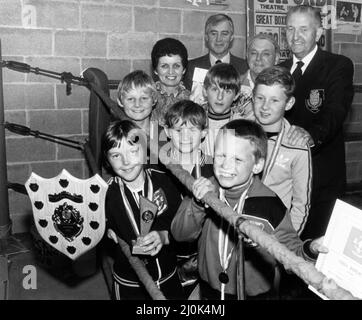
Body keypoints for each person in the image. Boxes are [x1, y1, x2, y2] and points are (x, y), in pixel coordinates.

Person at [171, 119, 326, 300]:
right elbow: (179, 234)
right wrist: (197, 204)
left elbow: (292, 254)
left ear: (257, 165)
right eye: (221, 156)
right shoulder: (205, 191)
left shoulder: (270, 205)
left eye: (237, 159)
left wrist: (310, 249)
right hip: (208, 293)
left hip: (255, 297)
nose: (225, 165)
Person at [280, 5, 354, 240]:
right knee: (283, 245)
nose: (295, 36)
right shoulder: (279, 69)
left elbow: (335, 111)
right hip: (283, 177)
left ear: (319, 33)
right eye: (290, 29)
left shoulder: (337, 65)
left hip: (320, 176)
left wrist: (311, 135)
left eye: (303, 29)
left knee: (315, 248)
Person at [103, 120, 185, 300]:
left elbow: (183, 228)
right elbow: (96, 231)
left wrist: (165, 236)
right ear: (107, 160)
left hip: (168, 277)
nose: (125, 162)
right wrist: (106, 231)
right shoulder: (105, 194)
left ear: (145, 151)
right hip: (128, 282)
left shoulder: (165, 182)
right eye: (116, 155)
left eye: (133, 151)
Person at [162, 99, 213, 296]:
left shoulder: (215, 170)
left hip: (200, 256)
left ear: (204, 133)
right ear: (166, 132)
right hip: (163, 253)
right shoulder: (156, 166)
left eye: (192, 130)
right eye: (177, 130)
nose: (185, 136)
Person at [253, 66, 312, 235]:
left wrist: (287, 243)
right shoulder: (240, 131)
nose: (265, 106)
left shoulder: (297, 145)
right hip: (236, 223)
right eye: (260, 98)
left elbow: (301, 204)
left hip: (274, 231)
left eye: (274, 100)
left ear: (289, 103)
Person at [184, 13, 248, 91]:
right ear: (206, 37)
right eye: (213, 34)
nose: (218, 39)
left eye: (224, 34)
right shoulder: (191, 68)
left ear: (231, 37)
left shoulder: (245, 68)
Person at [116, 70, 167, 165]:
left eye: (144, 98)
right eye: (130, 99)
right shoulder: (116, 135)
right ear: (120, 101)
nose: (137, 104)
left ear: (154, 100)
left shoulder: (162, 134)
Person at [234, 33, 281, 120]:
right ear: (247, 56)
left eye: (266, 54)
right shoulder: (234, 85)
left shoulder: (283, 89)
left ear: (276, 58)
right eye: (254, 53)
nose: (258, 58)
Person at [200, 62, 242, 157]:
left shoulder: (241, 125)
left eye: (227, 91)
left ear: (236, 95)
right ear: (204, 91)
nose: (220, 97)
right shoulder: (195, 121)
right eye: (215, 89)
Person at [150, 37, 190, 126]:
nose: (171, 72)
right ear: (155, 70)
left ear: (184, 69)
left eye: (176, 66)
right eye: (164, 66)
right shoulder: (147, 97)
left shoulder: (192, 99)